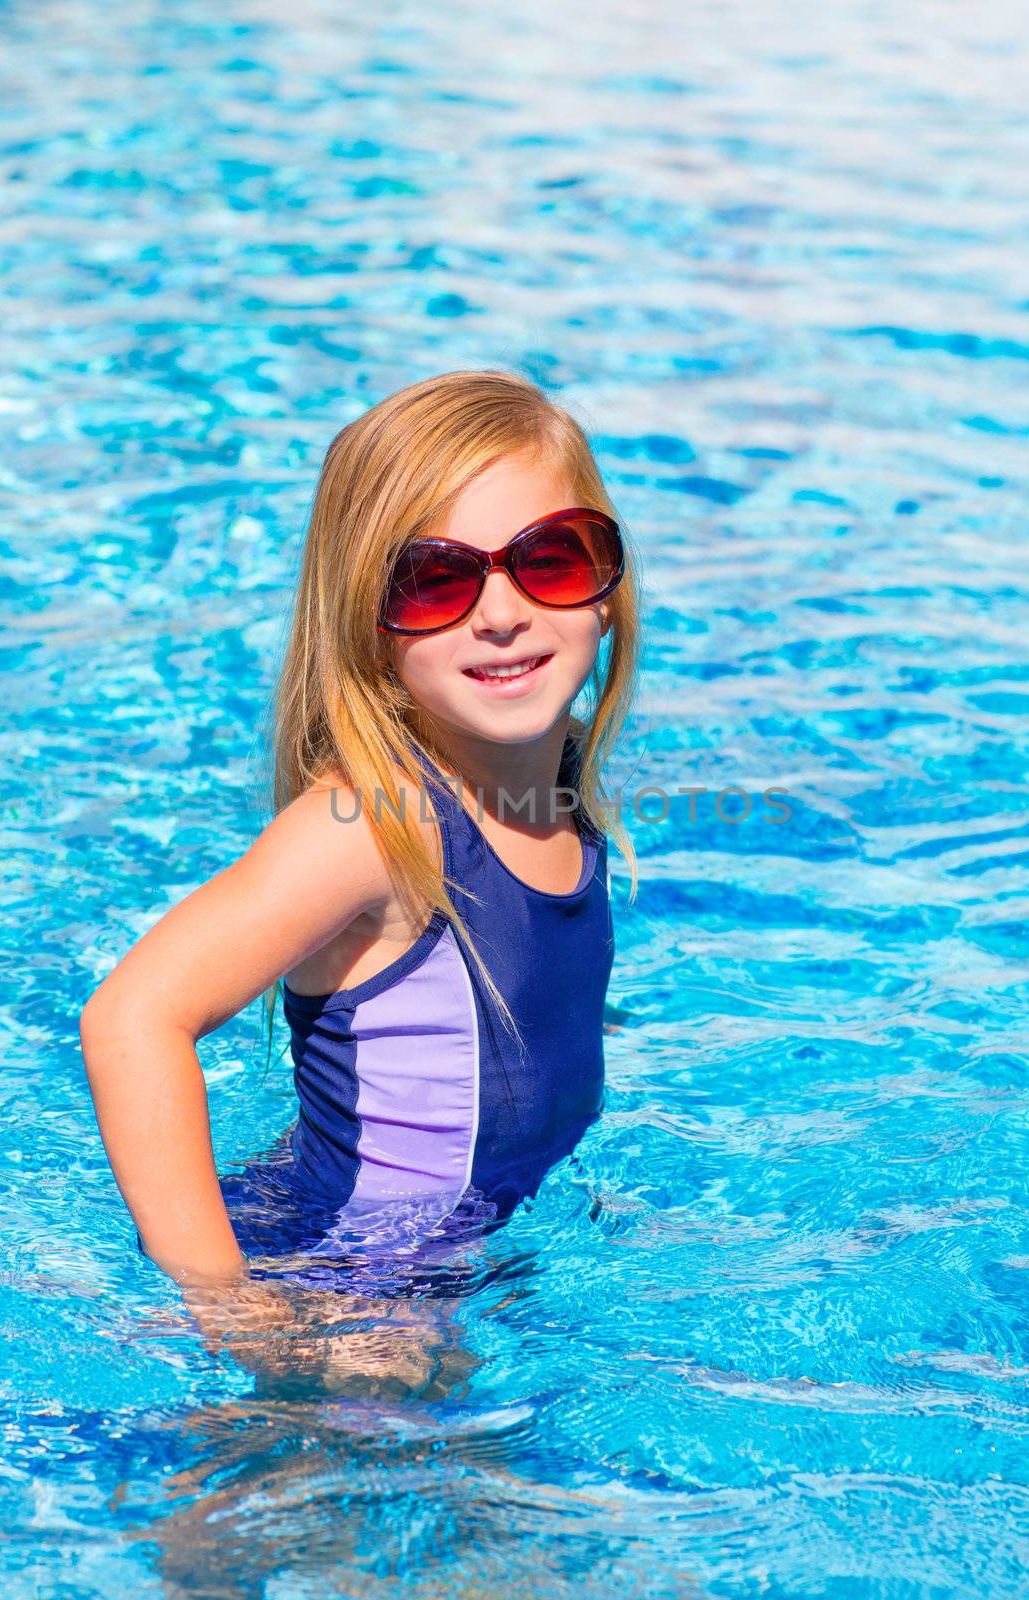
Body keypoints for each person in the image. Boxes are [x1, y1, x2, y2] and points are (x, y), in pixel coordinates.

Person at [80, 367, 642, 1323]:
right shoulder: (377, 826)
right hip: (347, 1283)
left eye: (549, 560)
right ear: (367, 627)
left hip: (468, 1244)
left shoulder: (553, 779)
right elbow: (132, 1017)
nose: (500, 614)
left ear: (603, 588)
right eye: (436, 581)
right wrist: (230, 1304)